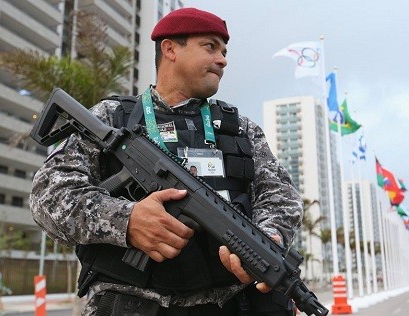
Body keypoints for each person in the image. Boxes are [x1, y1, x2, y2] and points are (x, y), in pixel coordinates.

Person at [30, 7, 302, 316]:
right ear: (170, 49)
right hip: (129, 303)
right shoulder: (112, 117)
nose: (223, 59)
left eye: (225, 51)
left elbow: (283, 198)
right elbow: (49, 196)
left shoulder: (240, 129)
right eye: (210, 46)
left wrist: (270, 236)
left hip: (229, 303)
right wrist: (126, 220)